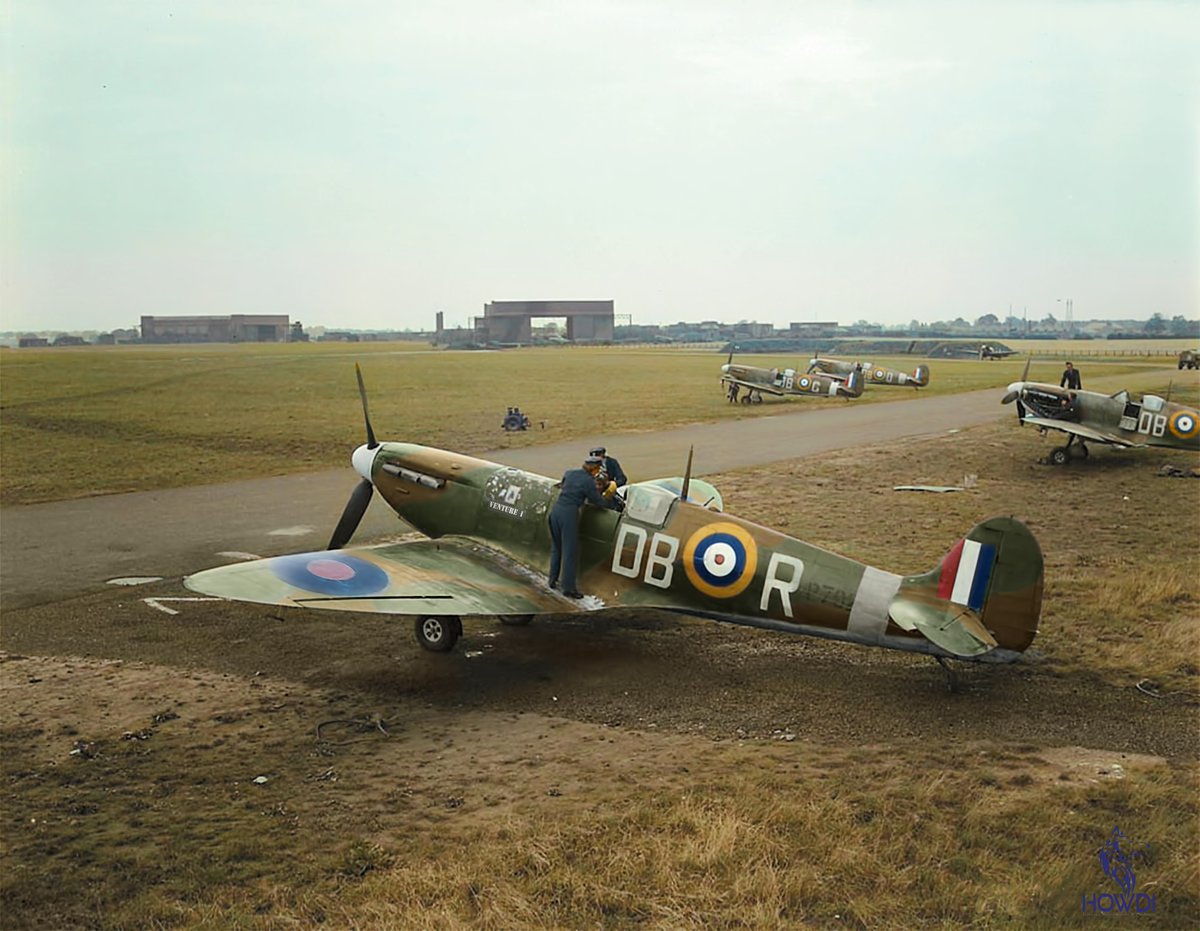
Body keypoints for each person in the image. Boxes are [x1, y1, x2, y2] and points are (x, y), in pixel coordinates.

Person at [548, 456, 623, 598]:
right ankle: (568, 588)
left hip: (556, 511)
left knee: (556, 547)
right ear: (594, 468)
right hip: (569, 513)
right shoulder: (588, 481)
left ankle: (552, 579)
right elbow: (598, 501)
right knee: (570, 552)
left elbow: (564, 486)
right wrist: (609, 498)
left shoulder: (569, 473)